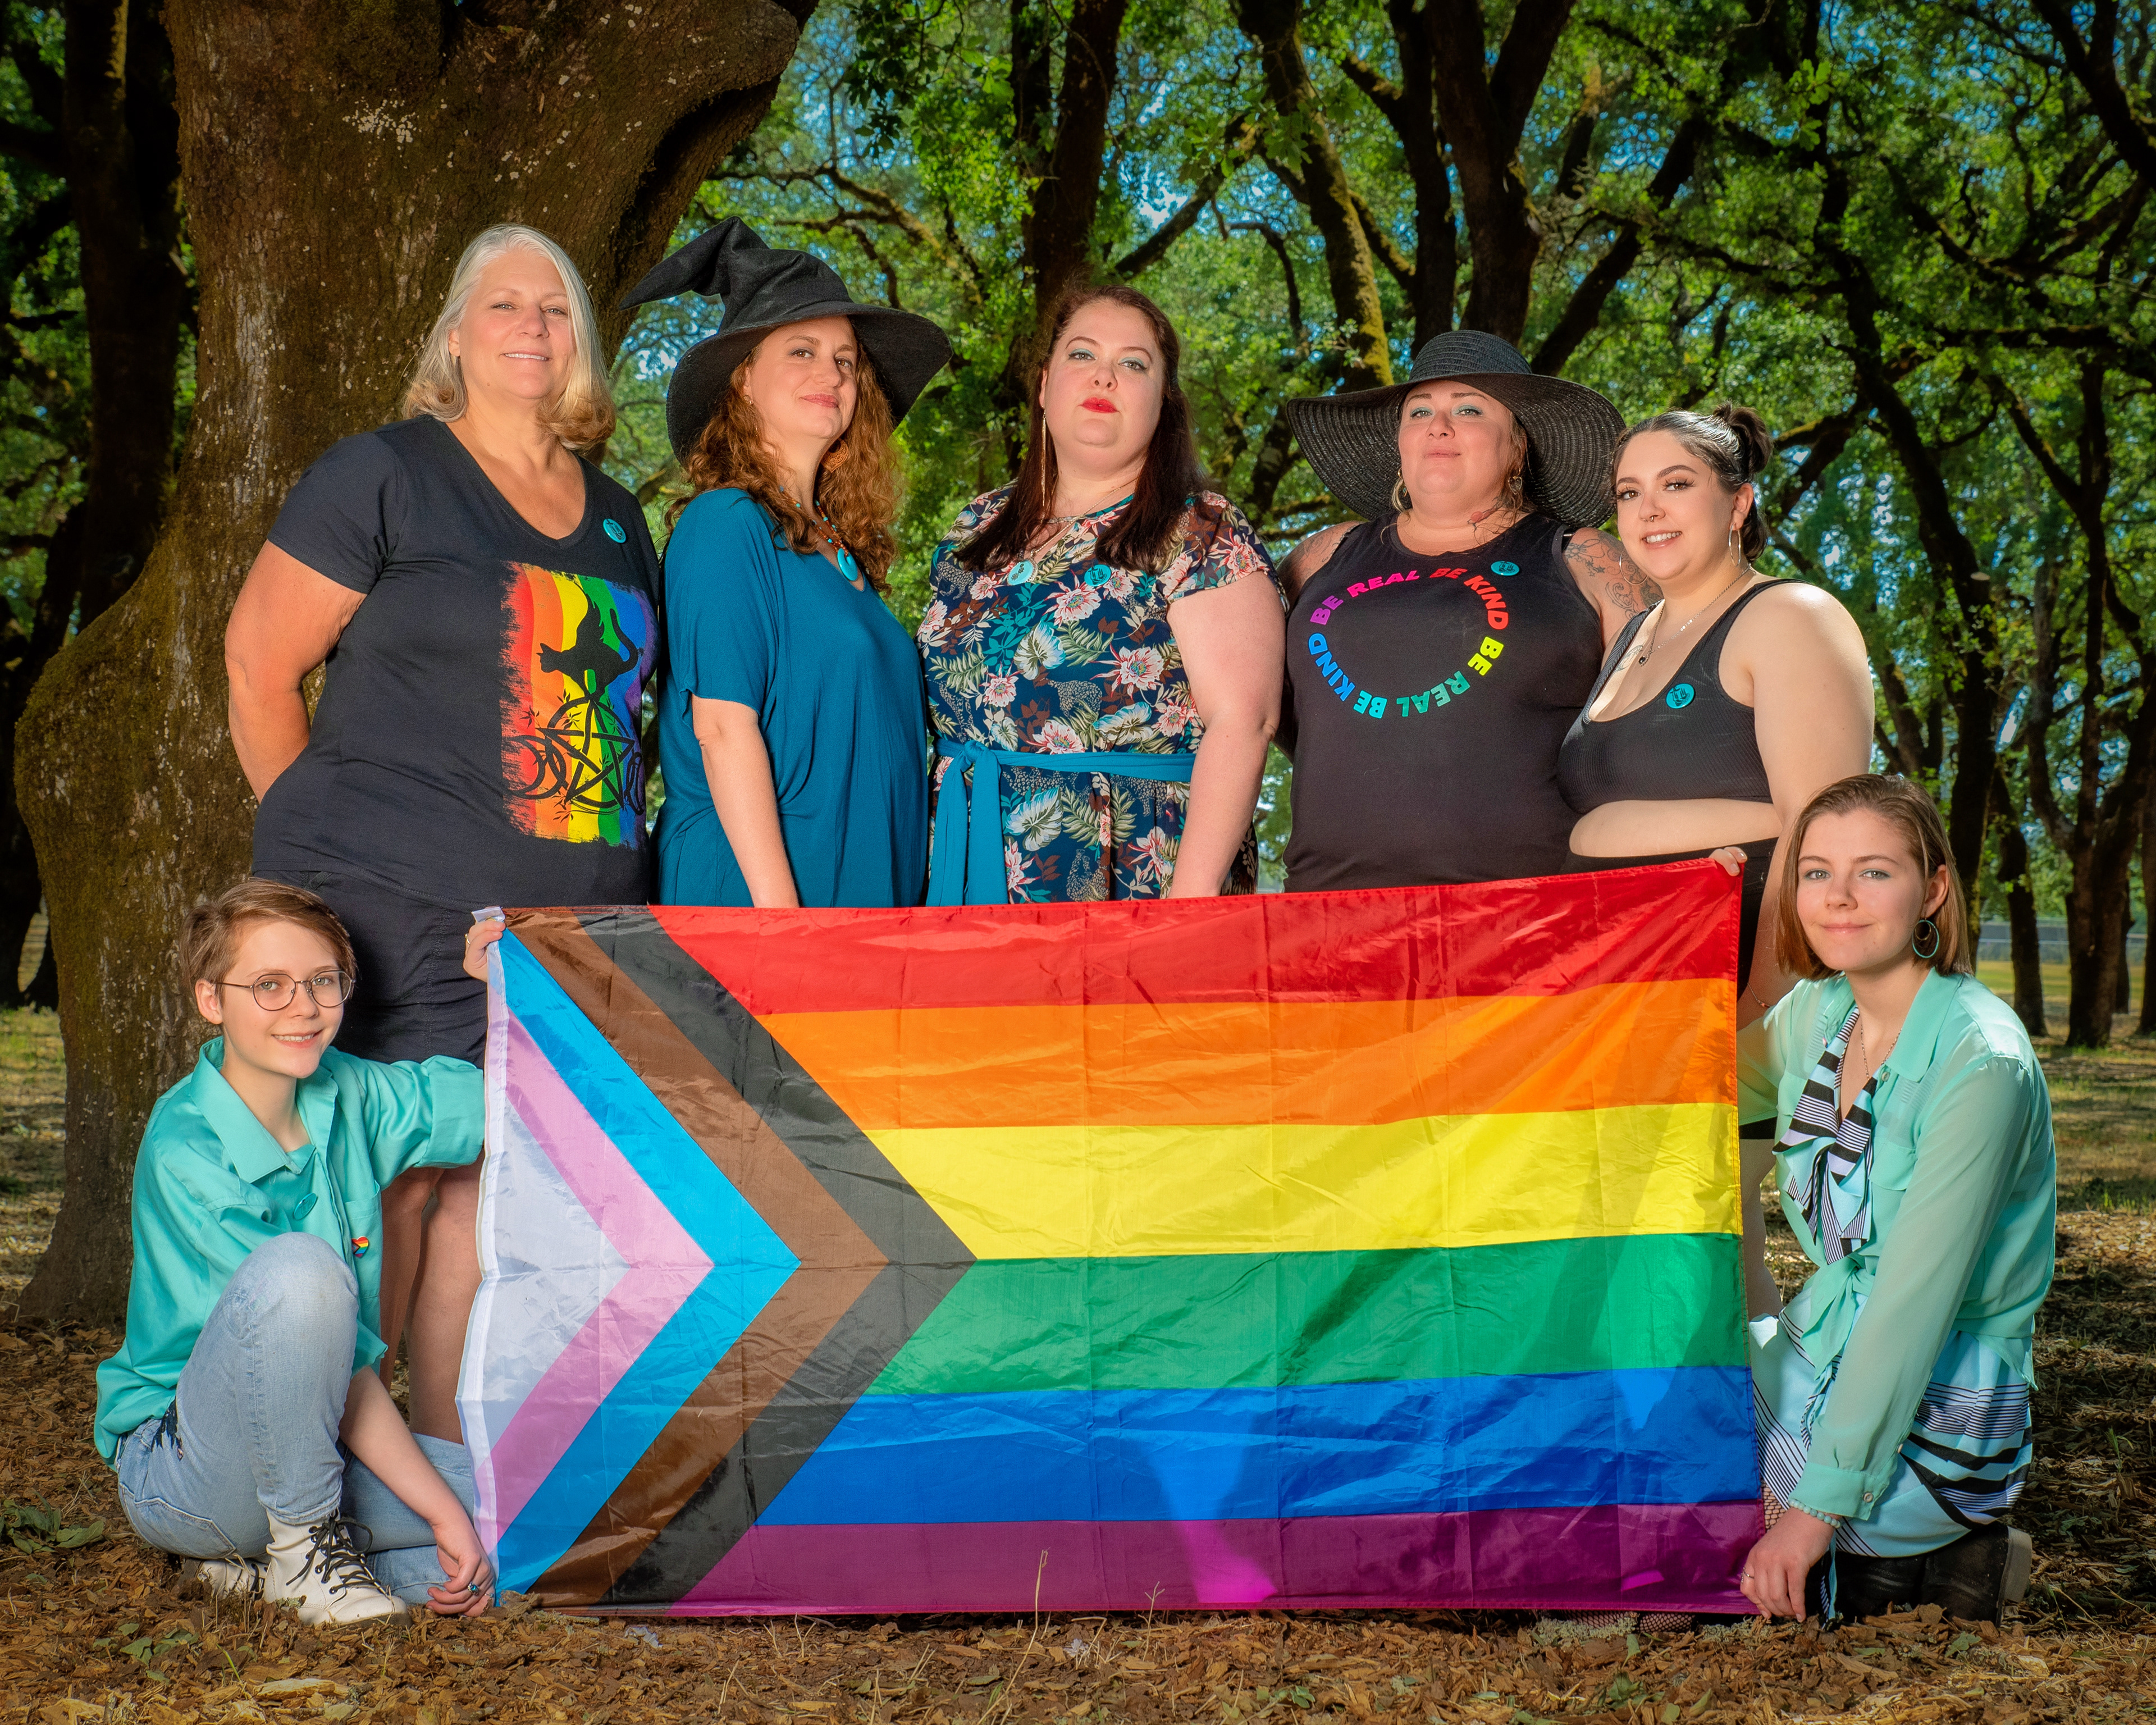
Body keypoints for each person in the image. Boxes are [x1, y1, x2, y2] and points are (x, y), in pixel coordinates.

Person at [225, 225, 659, 1441]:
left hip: (558, 933)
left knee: (491, 1193)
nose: (531, 324)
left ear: (580, 345)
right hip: (386, 909)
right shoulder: (384, 473)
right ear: (456, 336)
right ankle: (328, 1464)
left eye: (555, 308)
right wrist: (329, 853)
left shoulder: (625, 520)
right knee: (390, 1190)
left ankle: (448, 1462)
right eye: (503, 304)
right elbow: (259, 665)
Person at [95, 880, 494, 1624]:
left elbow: (509, 1101)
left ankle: (250, 1566)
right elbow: (328, 1356)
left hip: (320, 1443)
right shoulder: (188, 1146)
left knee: (531, 1505)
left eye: (321, 982)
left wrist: (503, 989)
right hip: (185, 1467)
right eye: (269, 986)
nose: (303, 1007)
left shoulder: (350, 1091)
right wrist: (442, 1512)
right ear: (212, 1000)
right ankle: (307, 1553)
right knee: (303, 1272)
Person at [1559, 404, 1873, 1319]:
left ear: (1738, 502)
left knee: (1709, 1269)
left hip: (1740, 995)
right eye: (1629, 491)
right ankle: (1733, 1461)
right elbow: (1591, 821)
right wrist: (1599, 835)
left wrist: (1752, 1025)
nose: (1650, 509)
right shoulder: (1635, 637)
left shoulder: (1789, 616)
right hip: (1628, 1003)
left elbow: (1826, 837)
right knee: (1652, 1275)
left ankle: (1790, 1462)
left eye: (1678, 484)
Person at [1735, 776, 2052, 1624]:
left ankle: (1933, 1545)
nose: (1837, 897)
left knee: (1733, 1517)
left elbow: (1913, 1307)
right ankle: (1902, 1563)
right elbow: (1698, 1094)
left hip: (1941, 1388)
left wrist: (1812, 1513)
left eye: (1873, 872)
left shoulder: (1982, 1062)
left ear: (1933, 889)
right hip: (1823, 1344)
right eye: (1815, 872)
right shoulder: (1817, 1011)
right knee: (1671, 1424)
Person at [620, 218, 951, 907]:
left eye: (844, 359)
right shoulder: (728, 523)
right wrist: (783, 923)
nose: (829, 372)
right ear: (743, 381)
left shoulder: (839, 548)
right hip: (764, 901)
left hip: (862, 899)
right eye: (801, 351)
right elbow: (721, 726)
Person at [919, 284, 1283, 902]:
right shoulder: (975, 525)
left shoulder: (1200, 529)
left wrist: (1188, 908)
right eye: (1082, 355)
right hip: (961, 863)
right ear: (1044, 386)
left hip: (1130, 874)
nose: (1104, 377)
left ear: (1164, 404)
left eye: (1133, 364)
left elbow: (1244, 723)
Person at [1278, 330, 1652, 890]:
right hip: (1330, 908)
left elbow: (1660, 723)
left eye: (1469, 409)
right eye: (1419, 411)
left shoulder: (1586, 558)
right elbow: (1266, 708)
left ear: (1518, 447)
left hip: (1528, 910)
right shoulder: (1320, 557)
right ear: (1400, 443)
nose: (1439, 425)